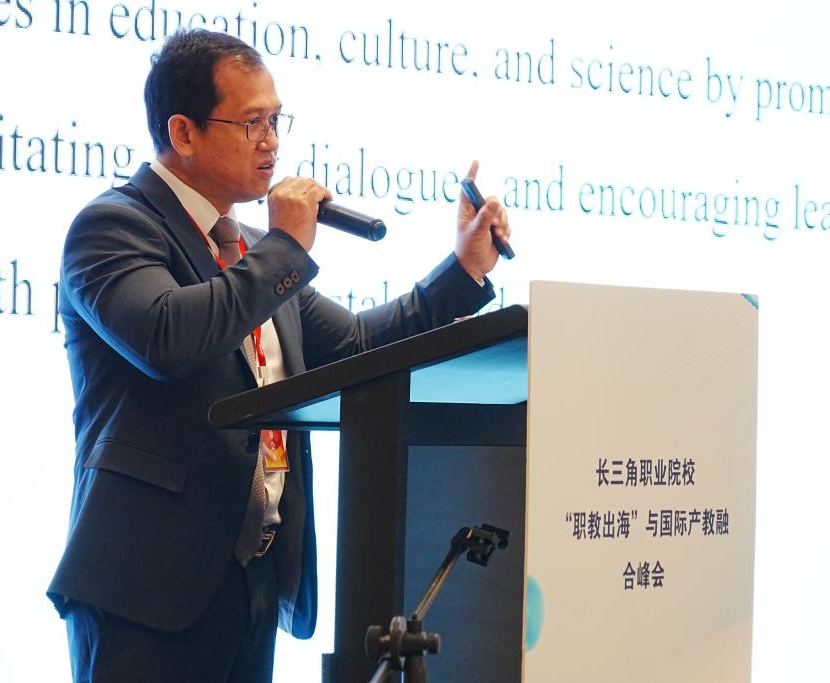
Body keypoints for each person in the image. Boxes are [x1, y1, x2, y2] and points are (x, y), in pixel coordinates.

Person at [47, 28, 510, 683]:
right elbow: (167, 339)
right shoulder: (113, 227)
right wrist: (285, 248)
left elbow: (354, 347)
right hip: (147, 590)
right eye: (252, 123)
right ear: (183, 133)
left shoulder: (251, 252)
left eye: (275, 121)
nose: (271, 142)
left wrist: (463, 271)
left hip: (250, 584)